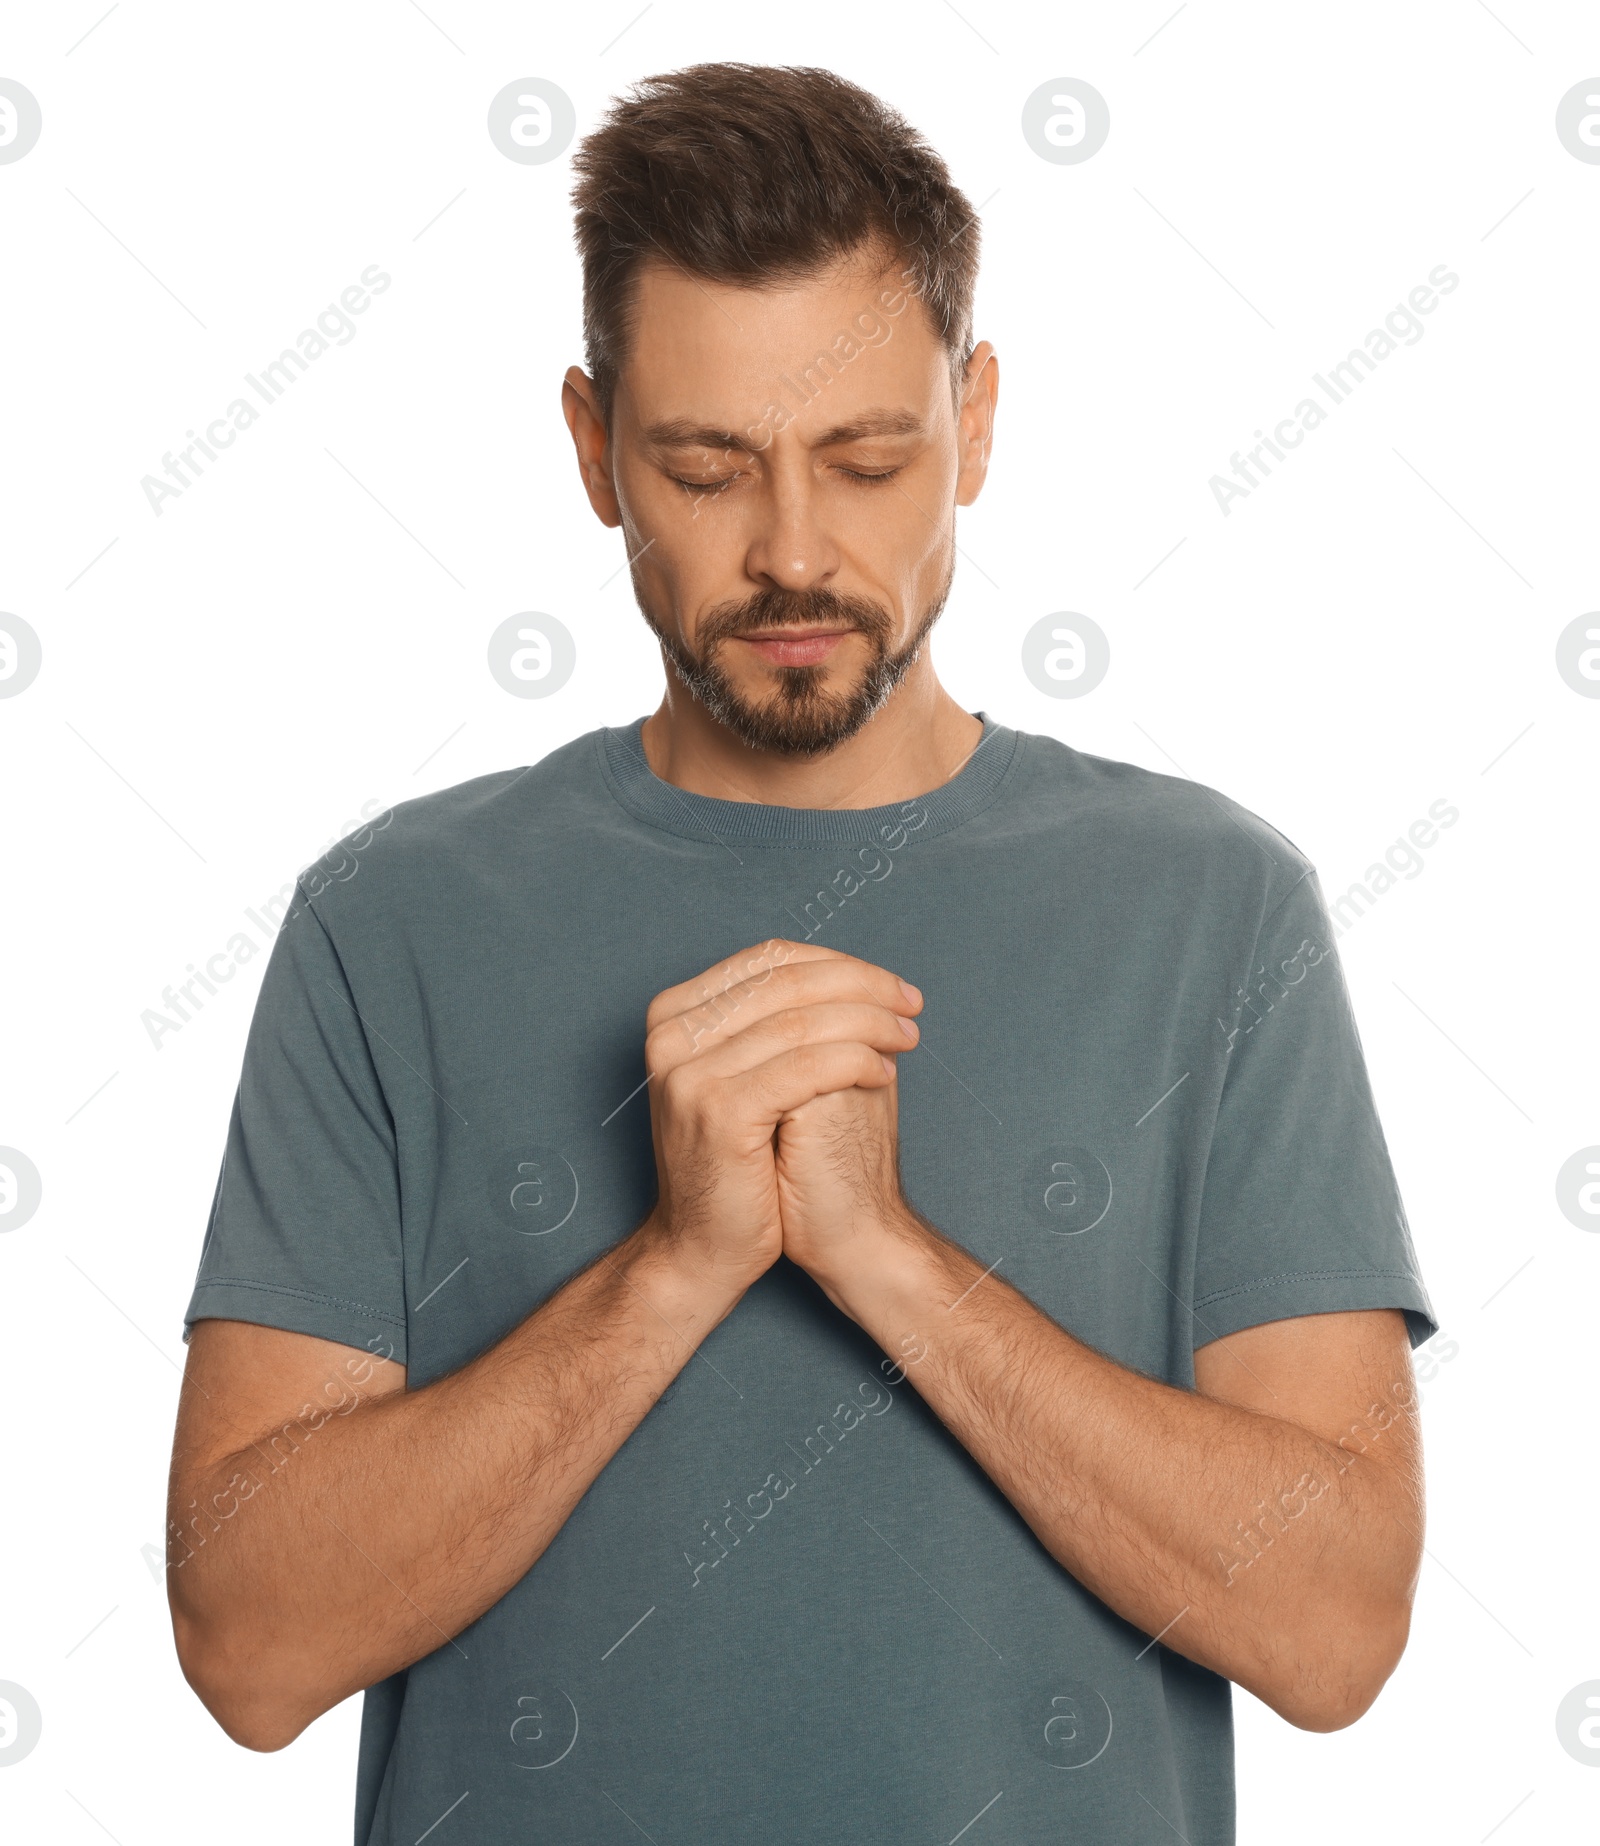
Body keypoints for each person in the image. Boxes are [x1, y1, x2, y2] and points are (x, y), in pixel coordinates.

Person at [166, 62, 1436, 1846]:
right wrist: (679, 1264)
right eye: (705, 465)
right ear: (594, 449)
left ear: (975, 424)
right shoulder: (390, 921)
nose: (790, 551)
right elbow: (247, 1645)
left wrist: (883, 1260)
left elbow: (1334, 1627)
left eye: (867, 459)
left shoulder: (1213, 906)